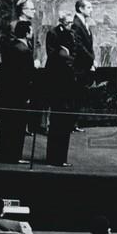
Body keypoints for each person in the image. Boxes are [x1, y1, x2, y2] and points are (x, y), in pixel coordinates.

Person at [0, 20, 34, 162]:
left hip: (7, 91)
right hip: (19, 93)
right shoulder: (24, 50)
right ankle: (14, 155)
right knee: (17, 126)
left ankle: (4, 153)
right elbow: (27, 76)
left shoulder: (9, 46)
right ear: (27, 33)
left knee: (7, 124)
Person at [44, 10, 76, 166]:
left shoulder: (71, 35)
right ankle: (56, 157)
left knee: (63, 123)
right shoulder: (53, 34)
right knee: (58, 122)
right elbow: (52, 55)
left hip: (66, 84)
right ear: (61, 22)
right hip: (57, 82)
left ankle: (59, 157)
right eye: (68, 23)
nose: (70, 26)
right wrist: (66, 57)